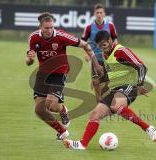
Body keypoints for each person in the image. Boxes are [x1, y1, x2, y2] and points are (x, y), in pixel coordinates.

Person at [63, 30, 156, 150]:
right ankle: (83, 144)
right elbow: (113, 74)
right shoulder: (106, 55)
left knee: (115, 105)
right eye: (99, 47)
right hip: (115, 89)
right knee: (95, 115)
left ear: (110, 41)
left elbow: (141, 67)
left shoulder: (121, 51)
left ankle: (148, 128)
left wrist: (139, 84)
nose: (102, 49)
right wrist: (100, 81)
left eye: (103, 45)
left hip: (130, 85)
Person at [26, 12, 103, 141]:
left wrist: (95, 64)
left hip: (59, 73)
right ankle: (62, 129)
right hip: (43, 74)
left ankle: (61, 113)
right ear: (40, 27)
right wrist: (30, 59)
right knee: (39, 109)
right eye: (46, 28)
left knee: (50, 105)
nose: (50, 30)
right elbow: (29, 61)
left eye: (52, 27)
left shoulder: (61, 36)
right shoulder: (34, 38)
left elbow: (85, 45)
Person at [82, 3, 118, 102]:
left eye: (101, 12)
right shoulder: (89, 27)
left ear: (104, 14)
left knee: (108, 81)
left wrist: (114, 51)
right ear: (94, 14)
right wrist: (86, 53)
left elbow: (115, 39)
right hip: (95, 57)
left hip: (108, 57)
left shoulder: (110, 26)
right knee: (96, 81)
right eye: (97, 12)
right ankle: (99, 101)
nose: (99, 14)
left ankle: (104, 96)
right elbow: (83, 42)